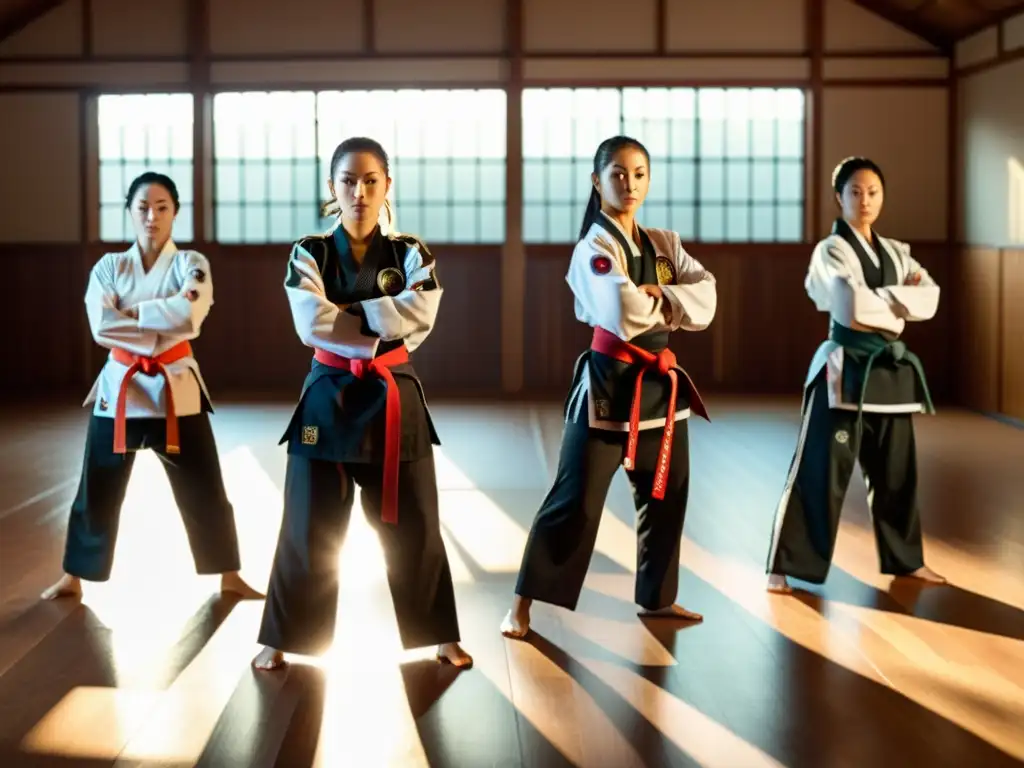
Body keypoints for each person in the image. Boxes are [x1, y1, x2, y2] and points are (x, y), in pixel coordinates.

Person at [252, 137, 472, 671]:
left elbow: (422, 312)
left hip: (395, 398)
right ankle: (280, 638)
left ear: (387, 186)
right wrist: (381, 316)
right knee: (307, 523)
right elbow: (311, 322)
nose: (359, 191)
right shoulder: (310, 251)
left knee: (417, 521)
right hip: (327, 398)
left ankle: (441, 634)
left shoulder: (409, 252)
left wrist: (348, 313)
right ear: (333, 188)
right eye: (348, 180)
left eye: (371, 180)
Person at [500, 136, 718, 640]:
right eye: (618, 174)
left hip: (661, 389)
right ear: (597, 182)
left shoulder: (664, 244)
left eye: (639, 173)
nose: (630, 183)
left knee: (667, 496)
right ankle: (521, 603)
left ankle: (658, 599)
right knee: (574, 502)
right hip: (607, 387)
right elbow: (623, 313)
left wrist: (661, 292)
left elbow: (708, 300)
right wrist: (674, 305)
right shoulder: (593, 248)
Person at [41, 172, 263, 602]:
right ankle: (74, 576)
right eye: (143, 207)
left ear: (175, 213)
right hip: (120, 391)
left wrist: (133, 315)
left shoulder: (191, 263)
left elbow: (190, 318)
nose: (152, 216)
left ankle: (229, 574)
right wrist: (158, 319)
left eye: (162, 208)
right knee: (97, 488)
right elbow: (101, 325)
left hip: (176, 387)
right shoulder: (108, 266)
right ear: (130, 211)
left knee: (205, 486)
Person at [765, 156, 947, 593]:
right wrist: (899, 304)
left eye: (873, 192)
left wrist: (881, 301)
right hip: (842, 370)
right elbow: (849, 307)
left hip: (890, 373)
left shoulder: (897, 251)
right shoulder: (832, 250)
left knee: (897, 472)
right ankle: (782, 565)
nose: (865, 200)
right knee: (820, 471)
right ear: (839, 197)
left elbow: (931, 299)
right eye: (855, 192)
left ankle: (906, 560)